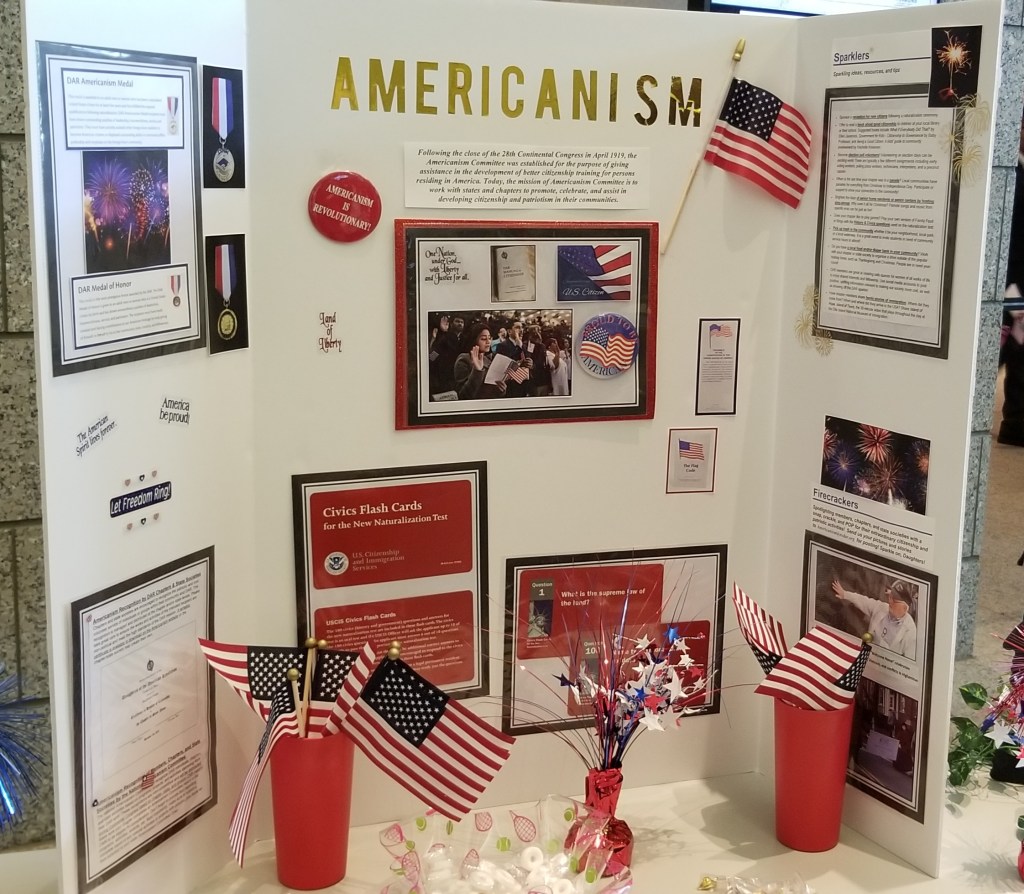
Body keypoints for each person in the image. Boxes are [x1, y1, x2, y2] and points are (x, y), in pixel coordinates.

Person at [999, 109, 1024, 446]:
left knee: (1018, 349)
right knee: (1008, 348)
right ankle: (1015, 419)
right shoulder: (1009, 174)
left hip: (1018, 279)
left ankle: (1016, 420)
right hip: (1010, 282)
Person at [831, 578, 917, 659]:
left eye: (894, 600)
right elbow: (864, 601)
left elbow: (909, 661)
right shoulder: (882, 607)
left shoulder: (910, 631)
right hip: (867, 656)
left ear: (905, 608)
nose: (890, 601)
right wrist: (845, 594)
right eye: (890, 597)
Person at [453, 323, 507, 400]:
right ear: (474, 340)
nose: (488, 342)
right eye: (483, 339)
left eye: (489, 338)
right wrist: (477, 370)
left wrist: (501, 390)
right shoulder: (464, 359)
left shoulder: (489, 359)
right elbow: (463, 395)